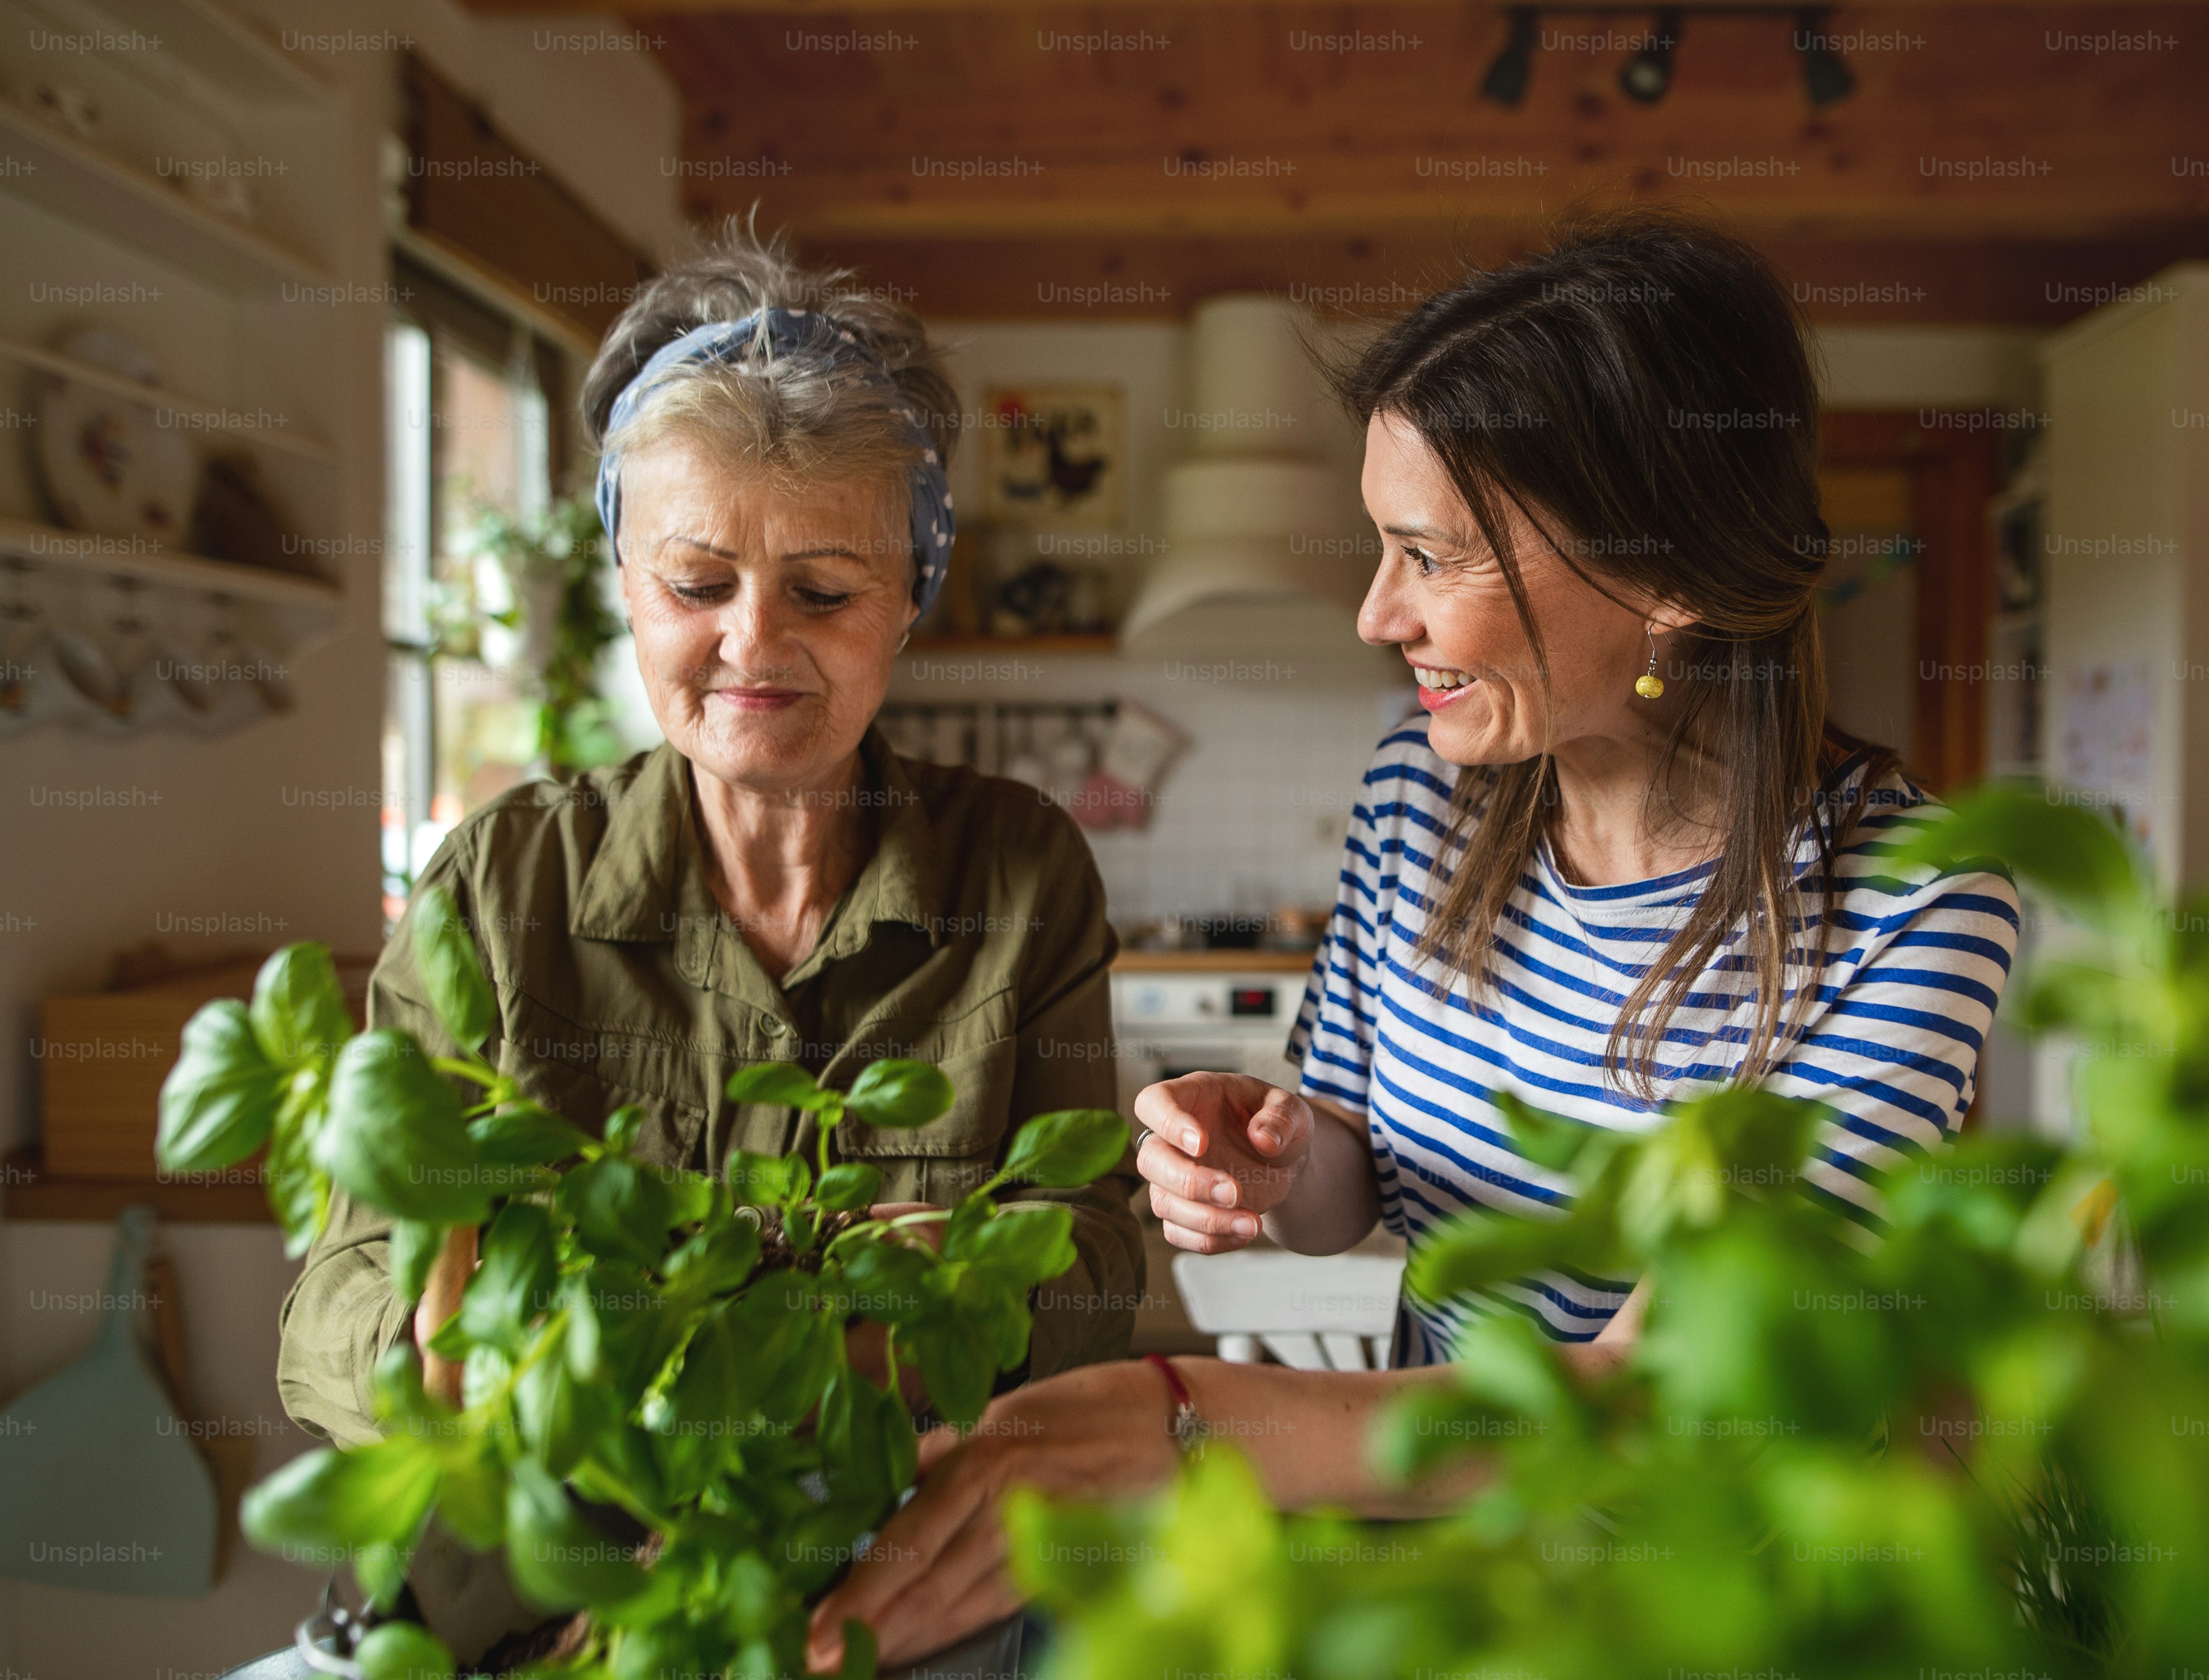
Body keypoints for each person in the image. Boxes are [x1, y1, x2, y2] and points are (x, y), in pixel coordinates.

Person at [804, 211, 2021, 1672]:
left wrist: (1189, 1415)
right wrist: (1271, 1151)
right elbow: (1352, 1181)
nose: (1380, 614)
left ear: (1668, 579)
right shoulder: (1424, 786)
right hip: (1442, 1573)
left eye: (1429, 555)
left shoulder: (1918, 903)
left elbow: (1666, 1398)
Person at [273, 230, 1142, 1665]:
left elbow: (1099, 1260)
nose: (754, 644)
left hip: (901, 1590)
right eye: (696, 583)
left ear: (910, 599)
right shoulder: (503, 881)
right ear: (626, 581)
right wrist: (442, 1340)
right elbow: (328, 1298)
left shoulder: (1020, 867)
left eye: (824, 591)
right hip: (538, 1598)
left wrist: (917, 1316)